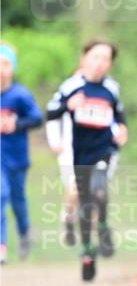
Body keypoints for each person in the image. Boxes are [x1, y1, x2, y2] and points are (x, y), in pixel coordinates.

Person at [46, 41, 127, 281]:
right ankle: (87, 250)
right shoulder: (71, 86)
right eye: (95, 57)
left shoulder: (111, 87)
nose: (100, 63)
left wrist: (122, 129)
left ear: (110, 64)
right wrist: (67, 105)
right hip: (78, 154)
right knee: (84, 199)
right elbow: (50, 113)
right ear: (84, 59)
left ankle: (102, 226)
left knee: (98, 189)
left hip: (104, 150)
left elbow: (118, 114)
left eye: (106, 58)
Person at [0, 44, 43, 263]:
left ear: (12, 68)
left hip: (16, 158)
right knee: (0, 194)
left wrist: (15, 124)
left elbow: (37, 119)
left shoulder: (20, 95)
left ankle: (24, 232)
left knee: (17, 202)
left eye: (5, 64)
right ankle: (1, 245)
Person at [45, 64, 81, 247]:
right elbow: (52, 115)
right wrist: (54, 141)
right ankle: (67, 219)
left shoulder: (104, 91)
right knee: (75, 187)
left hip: (96, 151)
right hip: (69, 150)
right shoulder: (67, 92)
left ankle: (89, 232)